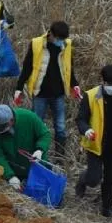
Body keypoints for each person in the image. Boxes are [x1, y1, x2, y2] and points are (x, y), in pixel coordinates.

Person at [75, 65, 112, 217]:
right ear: (102, 81)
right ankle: (83, 180)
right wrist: (86, 129)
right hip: (95, 145)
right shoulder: (91, 96)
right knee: (94, 179)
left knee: (110, 179)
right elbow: (81, 118)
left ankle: (106, 208)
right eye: (109, 84)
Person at [13, 21, 82, 157]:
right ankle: (35, 154)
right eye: (59, 39)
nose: (61, 41)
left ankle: (60, 156)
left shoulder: (66, 45)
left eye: (63, 39)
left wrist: (75, 85)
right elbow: (27, 67)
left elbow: (69, 67)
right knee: (36, 125)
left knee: (61, 127)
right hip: (40, 93)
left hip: (59, 93)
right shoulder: (37, 44)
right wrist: (18, 88)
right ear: (51, 34)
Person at [0, 104, 52, 190]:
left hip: (37, 167)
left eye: (2, 127)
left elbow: (45, 134)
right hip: (15, 171)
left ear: (11, 120)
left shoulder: (28, 117)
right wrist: (10, 176)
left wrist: (40, 150)